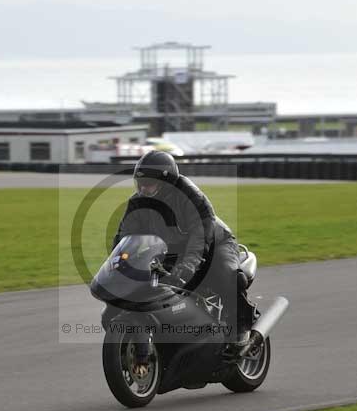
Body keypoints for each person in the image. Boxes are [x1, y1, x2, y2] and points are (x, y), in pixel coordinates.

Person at [109, 150, 258, 370]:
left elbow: (200, 238)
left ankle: (242, 328)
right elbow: (124, 239)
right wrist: (118, 268)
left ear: (166, 182)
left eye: (148, 183)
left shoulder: (191, 197)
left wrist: (187, 267)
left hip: (215, 244)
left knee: (228, 277)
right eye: (140, 183)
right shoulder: (137, 203)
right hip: (172, 251)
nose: (143, 188)